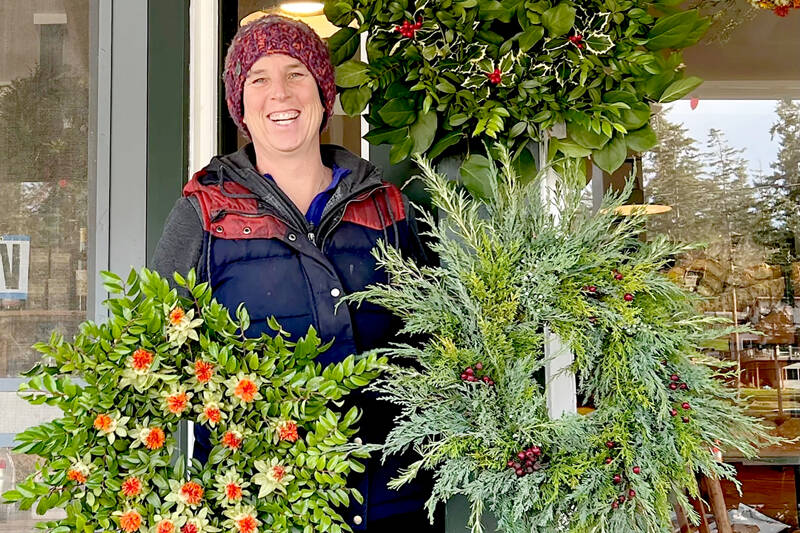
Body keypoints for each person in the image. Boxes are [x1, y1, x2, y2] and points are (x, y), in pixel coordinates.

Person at [152, 13, 442, 533]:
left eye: (296, 74)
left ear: (322, 92)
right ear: (240, 104)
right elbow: (153, 353)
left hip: (393, 500)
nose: (279, 94)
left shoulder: (387, 206)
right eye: (258, 79)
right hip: (259, 504)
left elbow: (438, 345)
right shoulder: (204, 211)